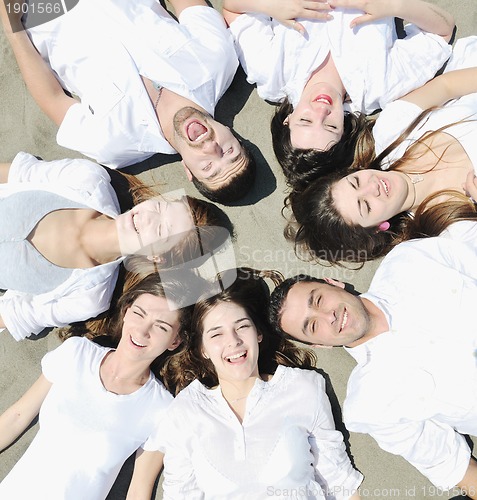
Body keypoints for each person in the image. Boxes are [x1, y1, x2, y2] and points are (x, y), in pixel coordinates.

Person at [268, 222, 477, 496]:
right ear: (320, 344)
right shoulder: (371, 403)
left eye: (318, 301)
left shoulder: (408, 262)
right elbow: (456, 467)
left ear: (333, 283)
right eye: (313, 326)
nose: (328, 317)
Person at [0, 0, 256, 204]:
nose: (211, 148)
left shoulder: (115, 145)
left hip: (44, 9)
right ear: (234, 136)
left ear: (188, 171)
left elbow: (52, 98)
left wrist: (12, 25)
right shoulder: (218, 62)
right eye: (230, 152)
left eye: (208, 167)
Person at [154, 268, 363, 499]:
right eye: (216, 334)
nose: (233, 341)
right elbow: (179, 494)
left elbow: (339, 482)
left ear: (258, 334)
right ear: (203, 349)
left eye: (242, 326)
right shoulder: (186, 411)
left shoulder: (303, 388)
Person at [0, 274, 199, 500]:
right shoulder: (77, 353)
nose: (142, 331)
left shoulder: (162, 409)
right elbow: (17, 415)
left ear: (175, 341)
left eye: (161, 327)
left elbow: (138, 490)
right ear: (125, 312)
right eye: (139, 314)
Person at [222, 0, 454, 188]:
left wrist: (272, 5)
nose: (321, 111)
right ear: (344, 130)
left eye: (305, 120)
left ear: (288, 120)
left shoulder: (270, 73)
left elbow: (233, 8)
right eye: (331, 126)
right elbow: (442, 32)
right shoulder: (380, 87)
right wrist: (393, 6)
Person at [0, 152, 225, 341]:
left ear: (157, 257)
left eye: (160, 231)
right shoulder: (88, 180)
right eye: (158, 208)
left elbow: (15, 315)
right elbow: (15, 174)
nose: (146, 218)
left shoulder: (89, 295)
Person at [287, 46, 477, 263]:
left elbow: (447, 86)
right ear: (379, 228)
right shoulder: (451, 228)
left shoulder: (391, 132)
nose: (372, 188)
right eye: (365, 205)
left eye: (356, 182)